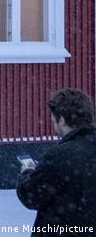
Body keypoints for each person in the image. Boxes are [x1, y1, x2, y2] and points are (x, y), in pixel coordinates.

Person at [17, 88, 96, 234]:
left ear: (63, 121)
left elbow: (31, 196)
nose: (54, 126)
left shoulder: (59, 156)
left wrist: (27, 172)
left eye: (54, 120)